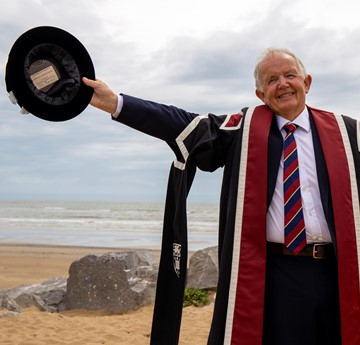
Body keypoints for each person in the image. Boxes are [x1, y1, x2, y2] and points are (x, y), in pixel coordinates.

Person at [82, 48, 360, 345]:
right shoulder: (243, 130)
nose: (283, 84)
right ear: (260, 94)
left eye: (290, 75)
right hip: (277, 275)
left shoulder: (346, 133)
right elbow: (183, 124)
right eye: (272, 80)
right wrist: (116, 103)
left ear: (307, 82)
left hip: (341, 271)